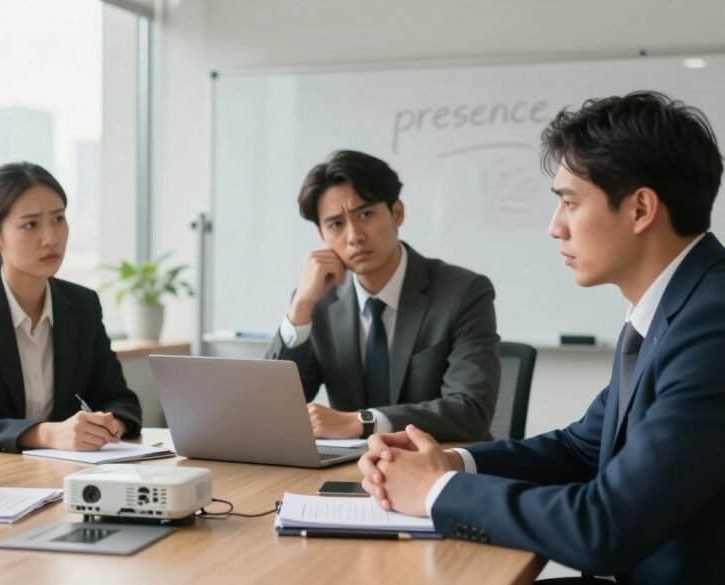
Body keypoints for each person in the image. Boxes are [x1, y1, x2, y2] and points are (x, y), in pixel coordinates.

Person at [359, 91, 725, 584]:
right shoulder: (675, 308)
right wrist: (451, 462)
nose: (555, 228)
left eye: (569, 203)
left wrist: (436, 490)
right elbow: (580, 449)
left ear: (640, 209)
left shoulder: (712, 325)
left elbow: (603, 527)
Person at [265, 150, 500, 441]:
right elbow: (270, 409)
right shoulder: (319, 301)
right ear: (322, 236)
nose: (354, 236)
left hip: (437, 460)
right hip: (351, 465)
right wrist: (300, 307)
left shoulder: (463, 292)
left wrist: (362, 422)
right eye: (336, 224)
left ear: (397, 213)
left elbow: (470, 411)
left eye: (365, 214)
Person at [0, 162, 142, 456]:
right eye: (31, 224)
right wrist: (47, 433)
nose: (51, 238)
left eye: (59, 218)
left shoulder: (82, 305)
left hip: (52, 472)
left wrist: (110, 424)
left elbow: (120, 400)